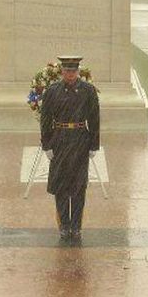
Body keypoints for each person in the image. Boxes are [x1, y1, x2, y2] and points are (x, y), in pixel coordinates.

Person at [40, 56, 100, 241]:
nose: (70, 74)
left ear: (78, 71)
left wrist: (93, 145)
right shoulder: (52, 91)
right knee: (61, 185)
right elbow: (45, 120)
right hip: (59, 140)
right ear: (62, 72)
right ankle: (64, 225)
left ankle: (76, 226)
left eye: (73, 71)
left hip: (80, 139)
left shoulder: (88, 91)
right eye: (67, 71)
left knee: (78, 186)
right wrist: (47, 145)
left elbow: (95, 119)